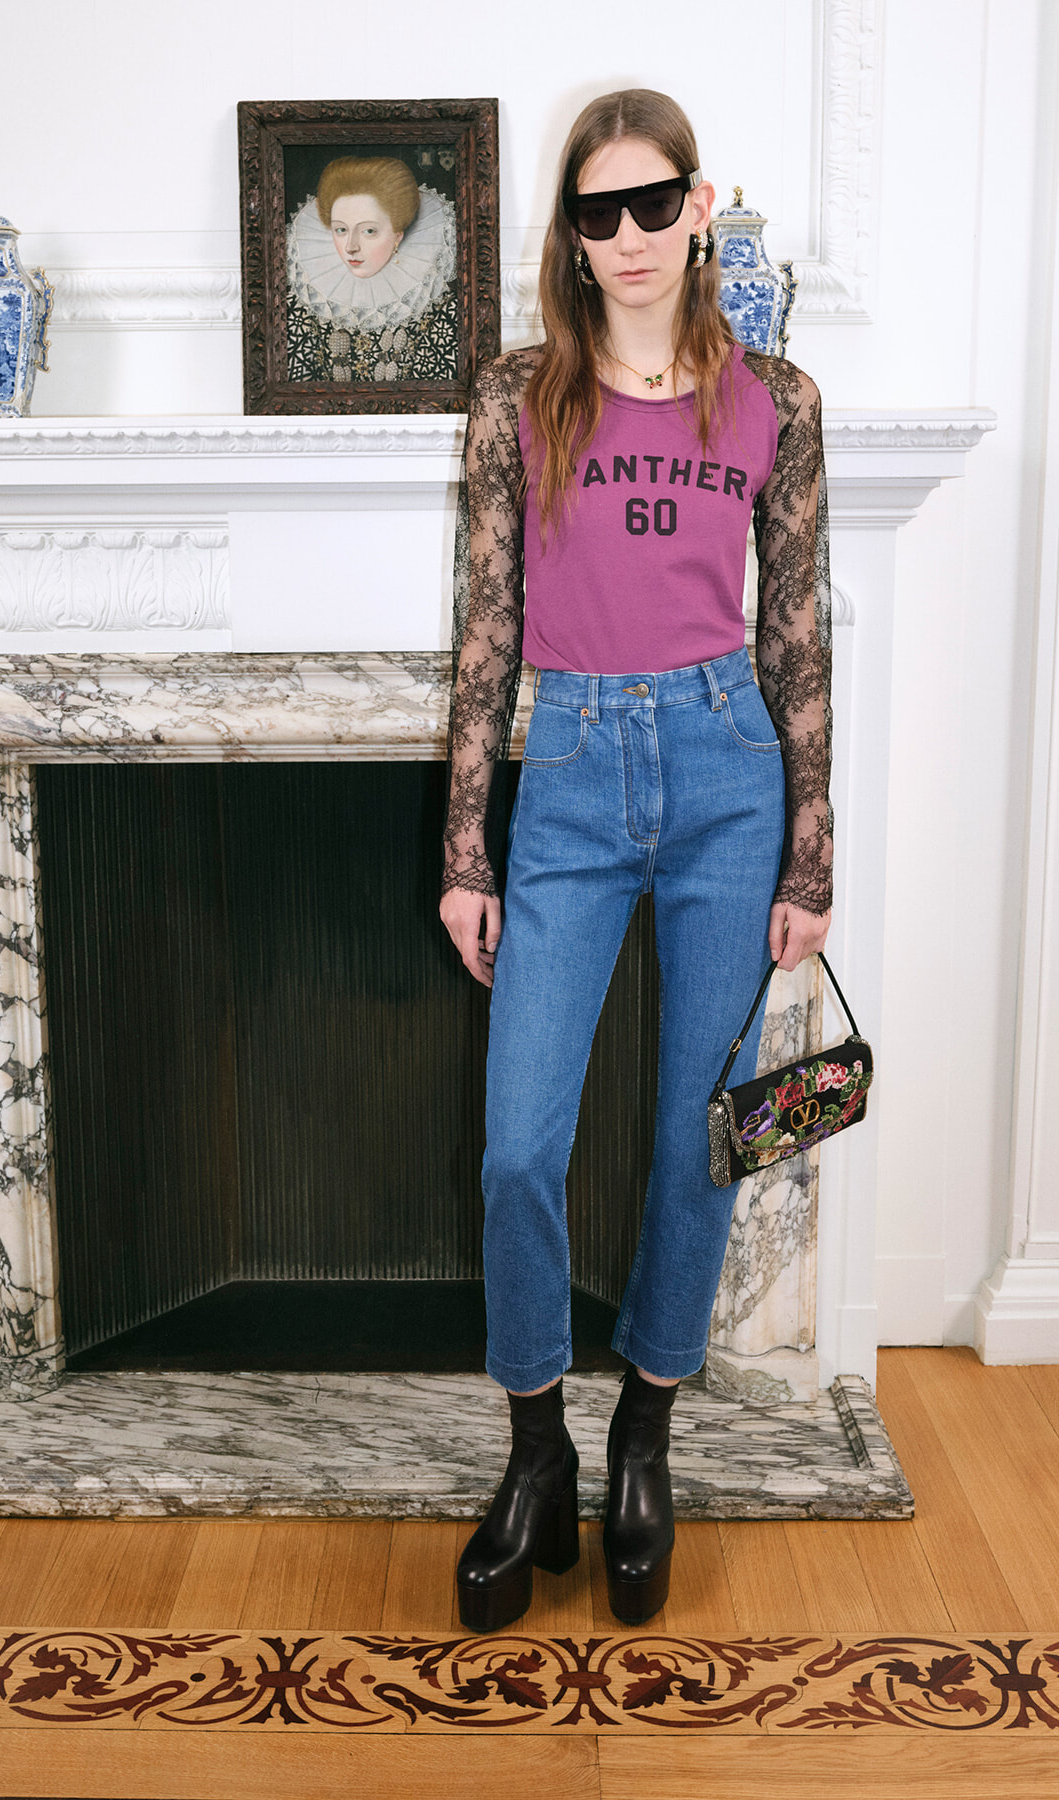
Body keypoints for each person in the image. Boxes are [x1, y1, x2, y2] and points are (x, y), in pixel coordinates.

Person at [439, 89, 832, 1634]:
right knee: (521, 1146)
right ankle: (536, 1455)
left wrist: (810, 853)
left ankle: (644, 1435)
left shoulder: (778, 401)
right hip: (576, 782)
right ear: (570, 229)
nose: (625, 240)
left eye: (649, 205)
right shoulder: (518, 399)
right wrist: (466, 840)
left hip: (731, 769)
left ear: (699, 203)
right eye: (594, 214)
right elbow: (483, 631)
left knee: (700, 1142)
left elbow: (797, 638)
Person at [285, 155, 458, 383]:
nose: (351, 247)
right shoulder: (303, 307)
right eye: (340, 230)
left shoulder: (442, 309)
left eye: (369, 231)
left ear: (397, 235)